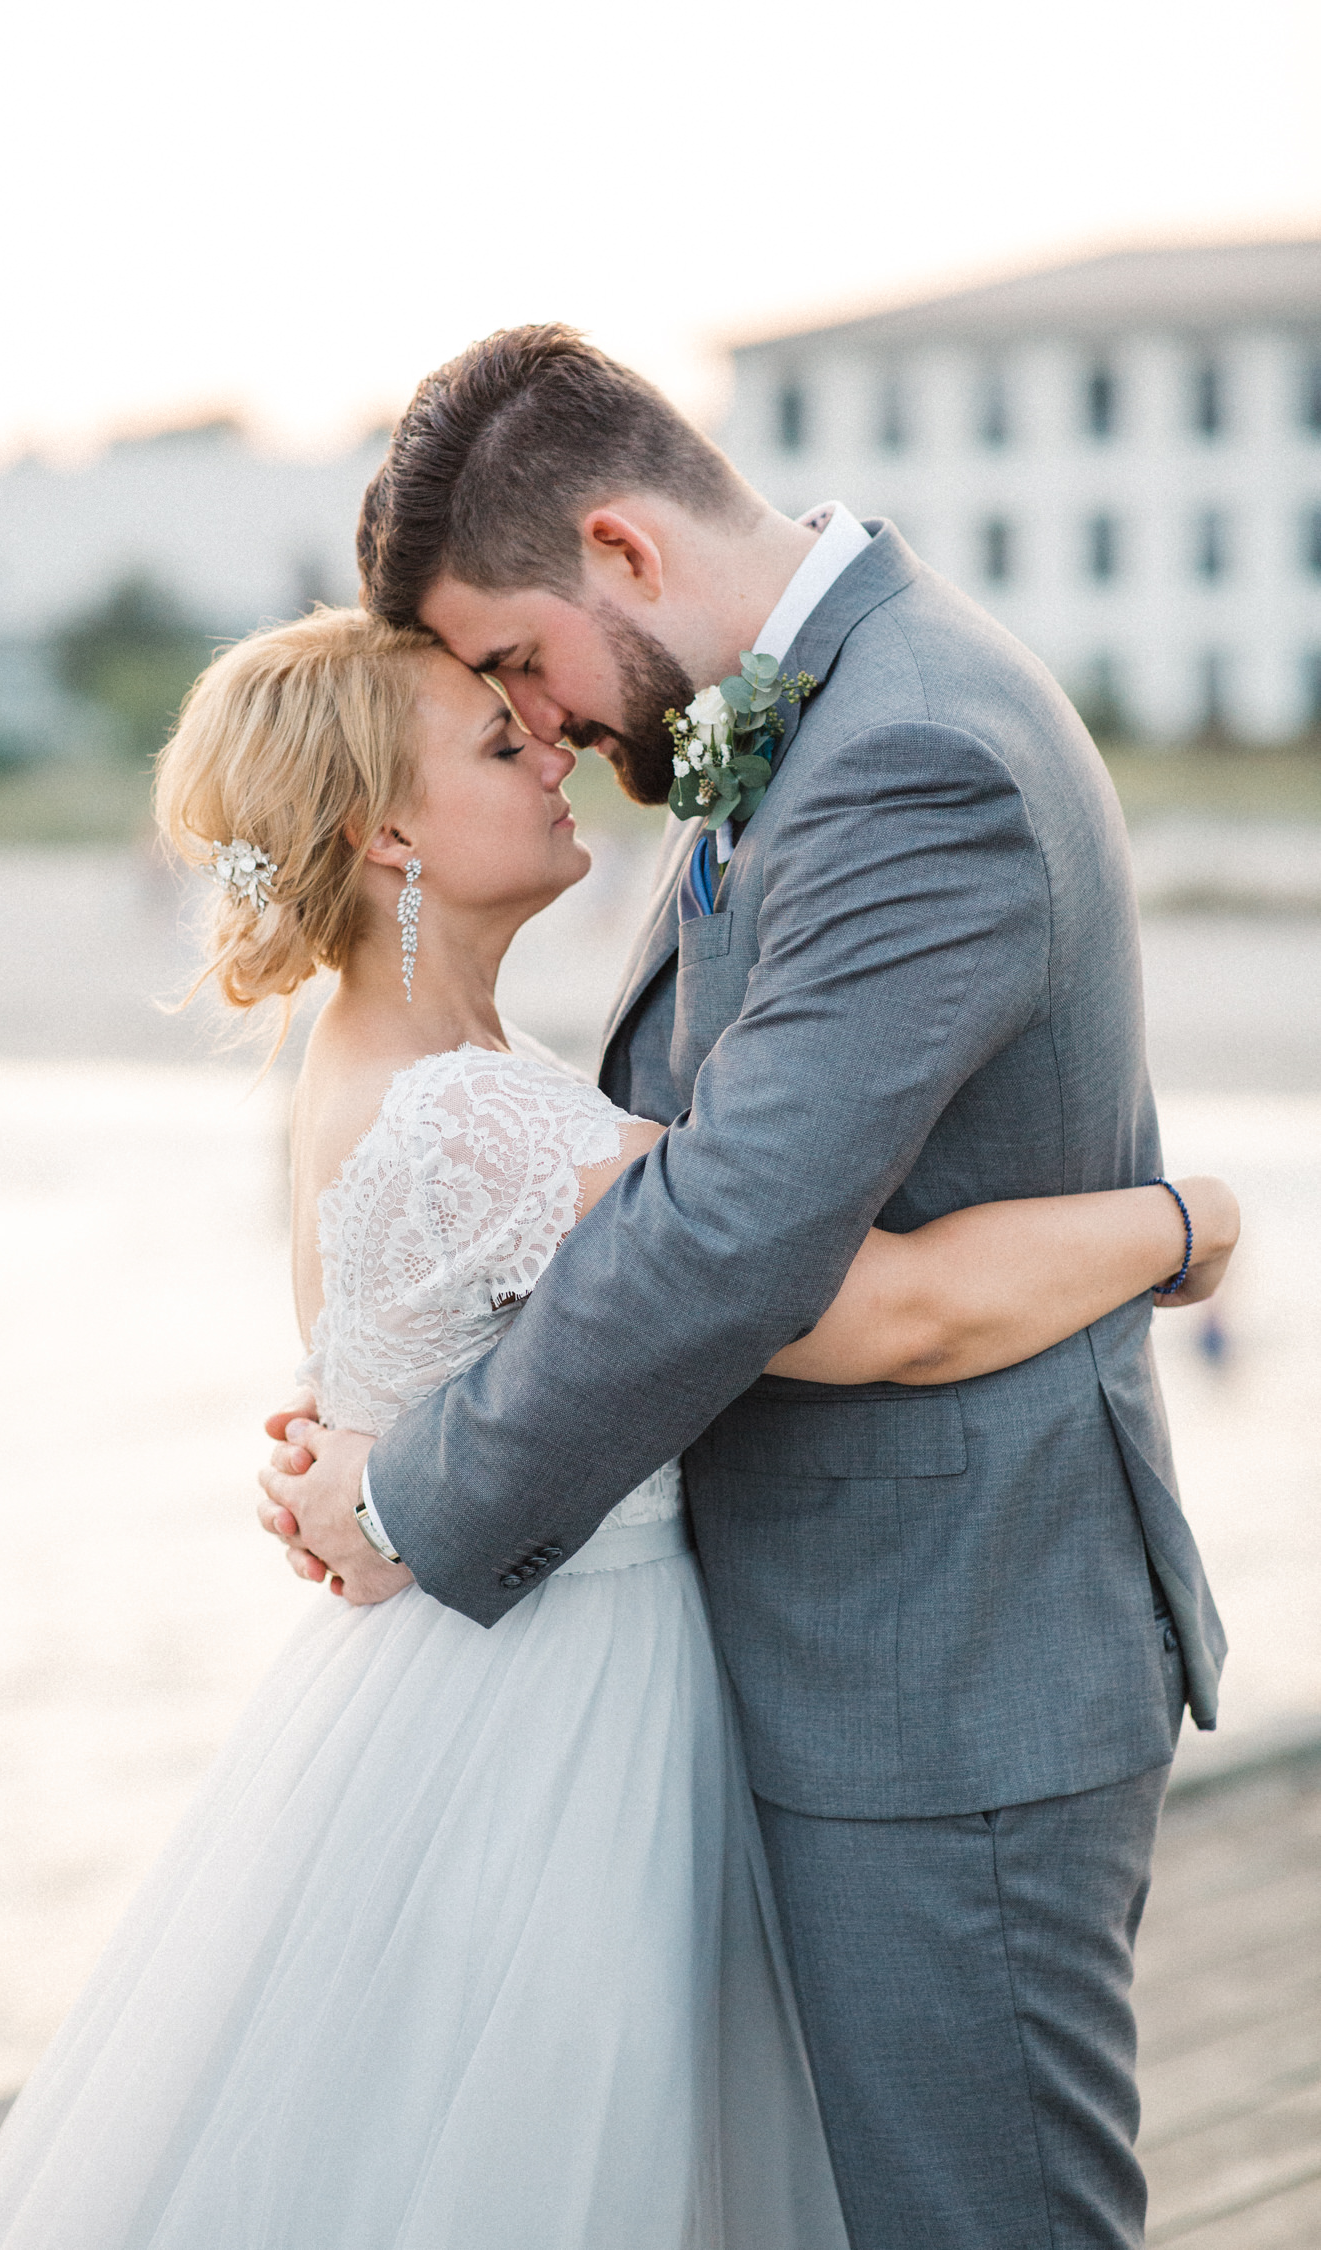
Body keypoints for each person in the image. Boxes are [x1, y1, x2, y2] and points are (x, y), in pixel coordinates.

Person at [0, 608, 1233, 2249]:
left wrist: (372, 1475)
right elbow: (895, 1310)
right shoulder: (479, 1116)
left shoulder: (413, 1069)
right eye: (499, 743)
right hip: (558, 1725)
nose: (553, 747)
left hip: (462, 1681)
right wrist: (1181, 1220)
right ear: (384, 831)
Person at [260, 326, 1231, 2250]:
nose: (542, 724)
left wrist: (406, 1488)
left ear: (619, 548)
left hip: (948, 1676)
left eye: (519, 662)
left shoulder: (911, 752)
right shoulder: (820, 717)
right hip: (838, 1658)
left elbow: (724, 1241)